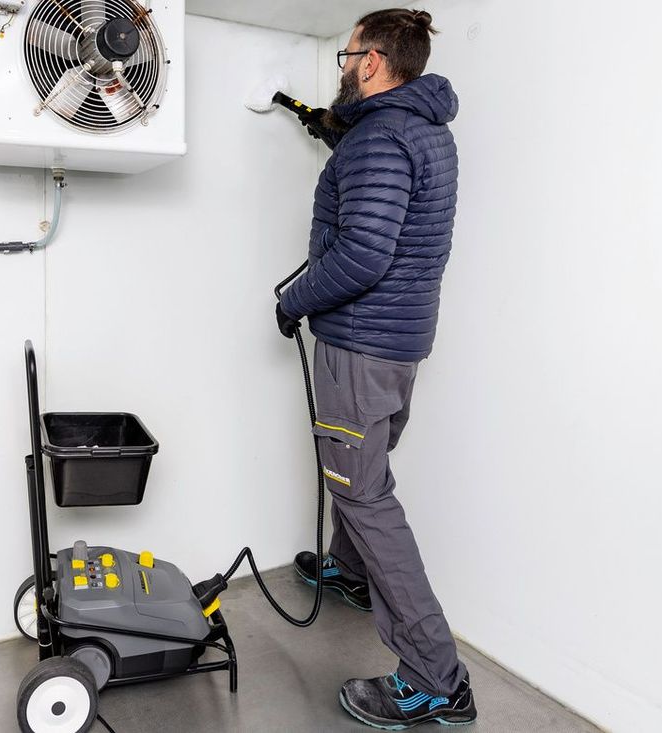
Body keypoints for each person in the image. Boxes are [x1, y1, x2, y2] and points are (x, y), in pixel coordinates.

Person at [274, 8, 475, 729]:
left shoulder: (379, 140)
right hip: (399, 342)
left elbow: (363, 254)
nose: (342, 66)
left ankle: (434, 675)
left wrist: (293, 299)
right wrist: (333, 130)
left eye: (346, 56)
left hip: (359, 342)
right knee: (363, 471)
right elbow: (386, 192)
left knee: (362, 493)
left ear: (374, 61)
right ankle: (352, 574)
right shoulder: (419, 128)